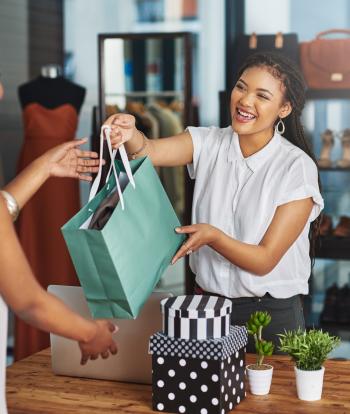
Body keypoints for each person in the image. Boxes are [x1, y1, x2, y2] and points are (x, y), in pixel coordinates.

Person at [104, 52, 323, 352]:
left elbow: (265, 260)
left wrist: (213, 236)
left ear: (284, 108)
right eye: (241, 87)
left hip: (271, 317)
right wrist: (130, 133)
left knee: (271, 400)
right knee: (205, 398)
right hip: (206, 309)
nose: (245, 101)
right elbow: (148, 151)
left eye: (262, 95)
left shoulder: (296, 167)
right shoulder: (207, 142)